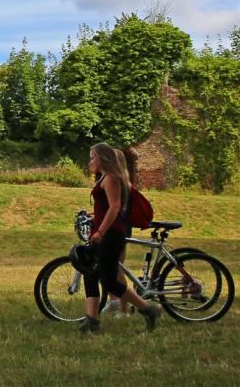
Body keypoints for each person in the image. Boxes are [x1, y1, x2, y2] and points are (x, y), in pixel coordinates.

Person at [79, 142, 161, 334]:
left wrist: (101, 232)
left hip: (111, 235)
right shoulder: (104, 178)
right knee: (89, 271)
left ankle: (148, 309)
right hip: (101, 232)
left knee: (109, 280)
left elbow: (115, 207)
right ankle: (92, 319)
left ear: (102, 158)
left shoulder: (112, 178)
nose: (90, 161)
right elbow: (105, 207)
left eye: (93, 157)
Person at [100, 148, 132, 317]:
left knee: (117, 268)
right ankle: (114, 301)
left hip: (120, 228)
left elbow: (118, 208)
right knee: (113, 268)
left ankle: (124, 308)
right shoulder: (122, 181)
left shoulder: (119, 181)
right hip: (120, 225)